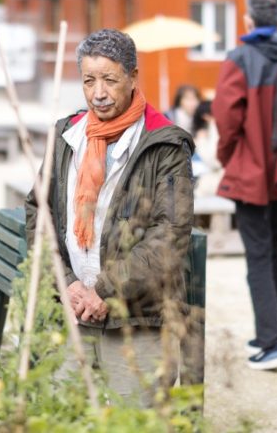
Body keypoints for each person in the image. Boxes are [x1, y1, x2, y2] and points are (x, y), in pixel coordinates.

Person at [25, 28, 194, 406]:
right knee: (62, 418)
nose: (98, 93)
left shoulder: (164, 143)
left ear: (133, 77)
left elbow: (169, 235)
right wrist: (66, 282)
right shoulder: (68, 135)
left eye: (109, 80)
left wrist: (104, 291)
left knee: (137, 422)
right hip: (72, 308)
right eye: (89, 80)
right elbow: (40, 210)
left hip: (137, 319)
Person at [212, 0, 277, 371]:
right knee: (272, 249)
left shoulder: (239, 58)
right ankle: (271, 330)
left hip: (251, 170)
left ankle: (272, 342)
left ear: (249, 21)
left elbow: (226, 118)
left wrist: (227, 156)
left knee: (258, 253)